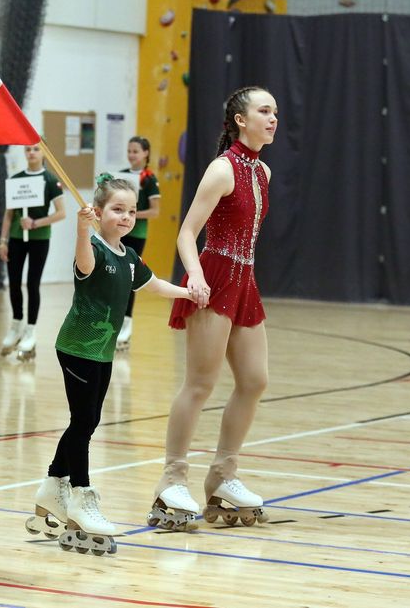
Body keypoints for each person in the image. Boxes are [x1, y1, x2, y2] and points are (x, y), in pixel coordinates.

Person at [26, 174, 191, 555]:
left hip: (102, 351)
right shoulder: (94, 250)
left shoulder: (128, 257)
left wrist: (186, 293)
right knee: (84, 422)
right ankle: (82, 499)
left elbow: (153, 285)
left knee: (88, 420)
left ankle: (53, 487)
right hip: (76, 348)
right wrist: (82, 230)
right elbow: (82, 262)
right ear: (98, 213)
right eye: (117, 210)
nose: (126, 217)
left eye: (131, 211)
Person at [148, 86, 276, 531]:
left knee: (255, 380)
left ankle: (223, 477)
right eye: (264, 110)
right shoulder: (222, 170)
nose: (272, 117)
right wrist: (195, 274)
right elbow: (187, 232)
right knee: (200, 384)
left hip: (245, 280)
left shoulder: (263, 172)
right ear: (241, 120)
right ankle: (172, 479)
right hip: (214, 276)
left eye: (274, 111)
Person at [0, 143, 65, 360]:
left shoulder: (50, 180)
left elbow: (61, 213)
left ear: (43, 151)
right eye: (28, 150)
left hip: (39, 239)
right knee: (14, 282)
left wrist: (36, 223)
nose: (31, 153)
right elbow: (9, 214)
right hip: (17, 239)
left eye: (35, 149)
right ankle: (16, 323)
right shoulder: (17, 179)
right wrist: (3, 241)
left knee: (32, 283)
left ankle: (30, 329)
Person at [115, 136, 161, 351]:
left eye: (136, 151)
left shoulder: (149, 178)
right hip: (118, 232)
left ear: (145, 153)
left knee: (130, 278)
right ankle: (113, 323)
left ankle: (127, 324)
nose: (132, 154)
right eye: (129, 150)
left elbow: (155, 211)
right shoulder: (122, 176)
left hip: (137, 234)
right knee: (114, 277)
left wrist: (132, 214)